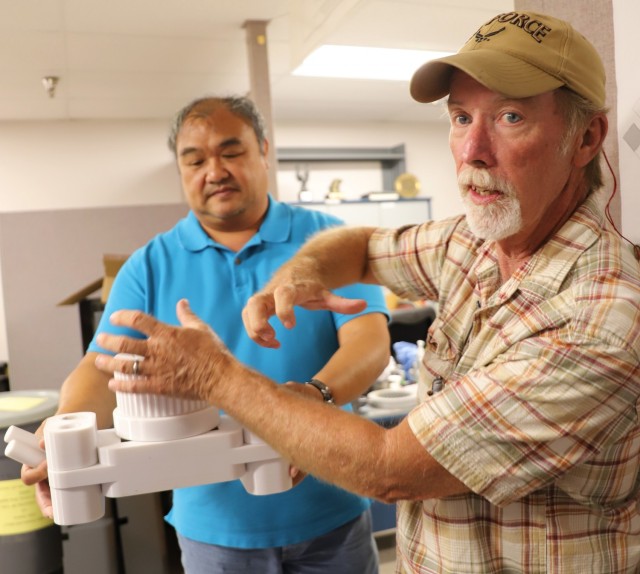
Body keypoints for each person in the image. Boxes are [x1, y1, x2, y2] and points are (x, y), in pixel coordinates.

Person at [92, 10, 640, 573]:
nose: (472, 149)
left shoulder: (596, 318)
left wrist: (216, 376)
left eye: (509, 116)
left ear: (587, 137)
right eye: (458, 117)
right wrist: (295, 276)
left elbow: (390, 468)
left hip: (331, 511)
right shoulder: (471, 244)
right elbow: (359, 248)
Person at [23, 96, 391, 574]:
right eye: (194, 160)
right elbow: (102, 369)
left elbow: (370, 341)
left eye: (231, 152)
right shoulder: (149, 267)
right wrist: (64, 427)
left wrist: (313, 399)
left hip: (332, 508)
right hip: (213, 530)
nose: (213, 171)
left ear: (263, 150)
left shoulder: (330, 240)